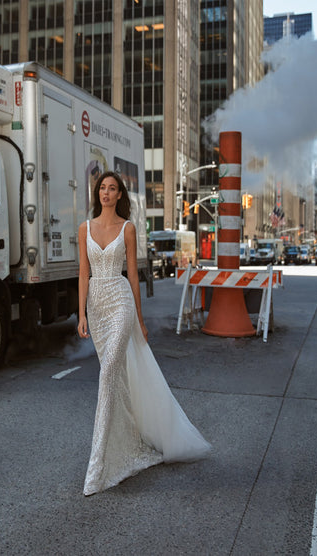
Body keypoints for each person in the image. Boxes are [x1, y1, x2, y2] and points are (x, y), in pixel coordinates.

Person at [78, 171, 211, 496]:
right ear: (97, 194)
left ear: (120, 194)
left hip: (121, 300)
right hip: (96, 305)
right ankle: (130, 439)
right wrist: (80, 313)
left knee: (108, 370)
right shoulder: (84, 228)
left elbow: (134, 277)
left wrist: (139, 317)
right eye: (102, 188)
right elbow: (83, 272)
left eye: (112, 189)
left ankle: (99, 462)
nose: (106, 193)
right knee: (117, 378)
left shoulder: (128, 228)